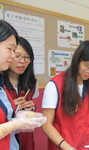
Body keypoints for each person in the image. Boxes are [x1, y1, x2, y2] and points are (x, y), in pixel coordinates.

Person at [42, 40, 89, 150]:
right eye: (87, 66)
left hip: (86, 146)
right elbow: (46, 124)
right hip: (63, 146)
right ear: (77, 60)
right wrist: (68, 147)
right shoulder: (55, 86)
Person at [0, 20, 41, 150]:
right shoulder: (4, 82)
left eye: (27, 58)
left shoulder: (30, 83)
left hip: (17, 139)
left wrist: (29, 111)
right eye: (11, 50)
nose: (13, 57)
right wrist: (15, 120)